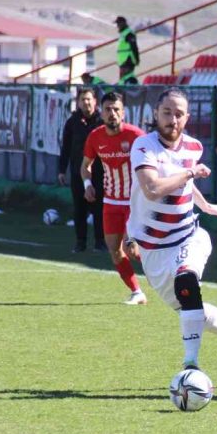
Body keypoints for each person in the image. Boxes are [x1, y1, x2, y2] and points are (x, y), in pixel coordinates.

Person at [129, 88, 217, 373]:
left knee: (186, 279)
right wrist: (190, 173)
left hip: (189, 235)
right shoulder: (143, 146)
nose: (172, 119)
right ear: (156, 113)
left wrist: (205, 205)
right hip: (153, 249)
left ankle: (191, 366)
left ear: (187, 118)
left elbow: (184, 184)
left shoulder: (193, 146)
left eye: (179, 114)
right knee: (191, 308)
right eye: (167, 112)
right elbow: (152, 189)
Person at [81, 90, 147, 305]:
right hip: (110, 202)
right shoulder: (95, 136)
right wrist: (87, 184)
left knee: (132, 249)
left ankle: (172, 272)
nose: (112, 113)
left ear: (123, 112)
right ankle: (137, 292)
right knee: (115, 251)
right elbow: (85, 166)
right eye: (108, 109)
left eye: (116, 109)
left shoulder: (136, 136)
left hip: (135, 202)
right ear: (101, 112)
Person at [58, 88, 105, 253]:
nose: (86, 102)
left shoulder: (102, 122)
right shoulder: (72, 122)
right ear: (78, 102)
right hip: (78, 172)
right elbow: (66, 147)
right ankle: (80, 242)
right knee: (79, 208)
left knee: (100, 208)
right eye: (83, 99)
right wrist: (62, 170)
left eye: (89, 99)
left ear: (95, 102)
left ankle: (100, 241)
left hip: (100, 173)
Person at [115, 17, 140, 82]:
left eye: (118, 23)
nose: (117, 26)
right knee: (123, 80)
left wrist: (137, 59)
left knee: (127, 78)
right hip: (123, 61)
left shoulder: (129, 33)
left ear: (124, 23)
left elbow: (134, 47)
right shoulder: (123, 34)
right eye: (117, 24)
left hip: (128, 60)